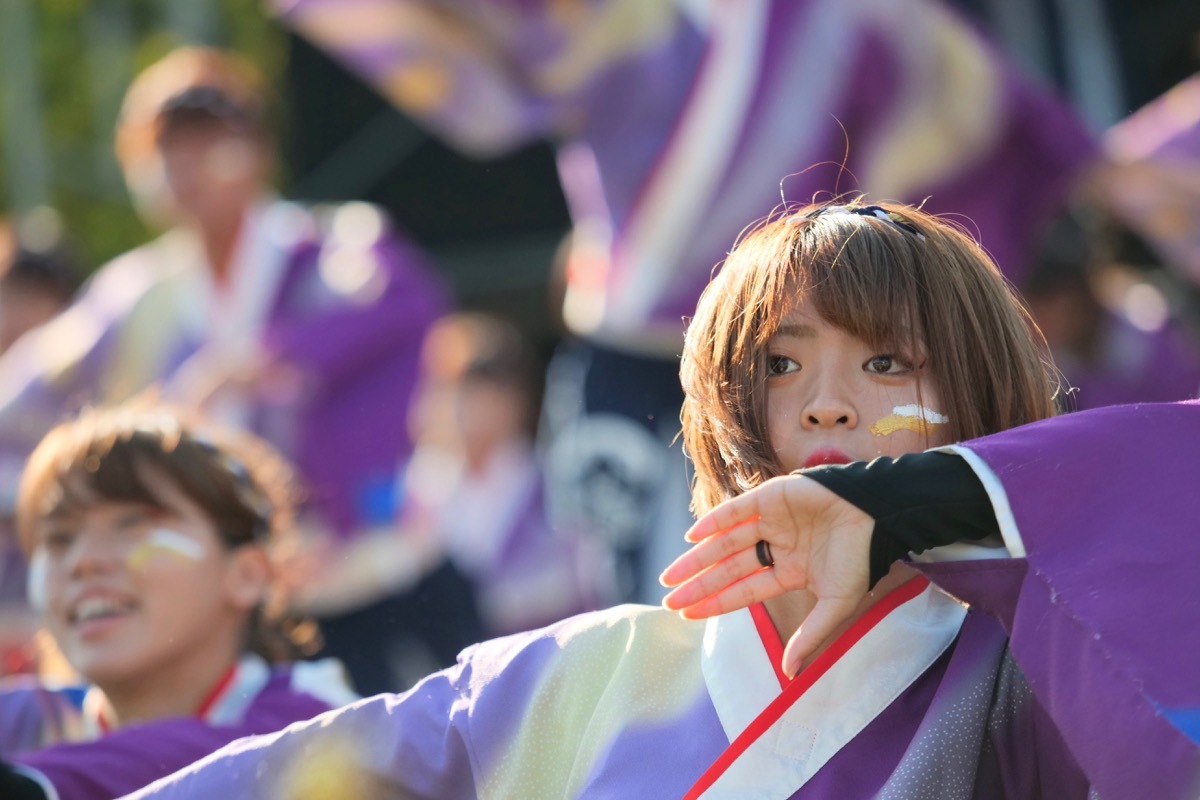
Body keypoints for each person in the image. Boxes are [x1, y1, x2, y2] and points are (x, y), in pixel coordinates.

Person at [107, 198, 1198, 800]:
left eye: (887, 364)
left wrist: (939, 501)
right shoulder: (586, 672)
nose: (822, 405)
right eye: (780, 364)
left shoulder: (1032, 670)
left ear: (978, 399)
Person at [267, 0, 1098, 603]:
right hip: (630, 350)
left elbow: (986, 109)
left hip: (789, 357)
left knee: (811, 570)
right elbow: (488, 97)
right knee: (644, 593)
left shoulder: (848, 21)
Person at [0, 46, 449, 691]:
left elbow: (406, 299)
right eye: (162, 148)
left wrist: (268, 358)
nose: (183, 166)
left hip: (362, 577)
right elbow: (23, 400)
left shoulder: (334, 247)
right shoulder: (133, 297)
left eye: (207, 141)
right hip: (221, 615)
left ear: (258, 149)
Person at [0, 403, 359, 800]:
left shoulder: (313, 717)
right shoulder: (22, 718)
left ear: (247, 575)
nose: (82, 561)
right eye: (58, 539)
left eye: (133, 523)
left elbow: (226, 763)